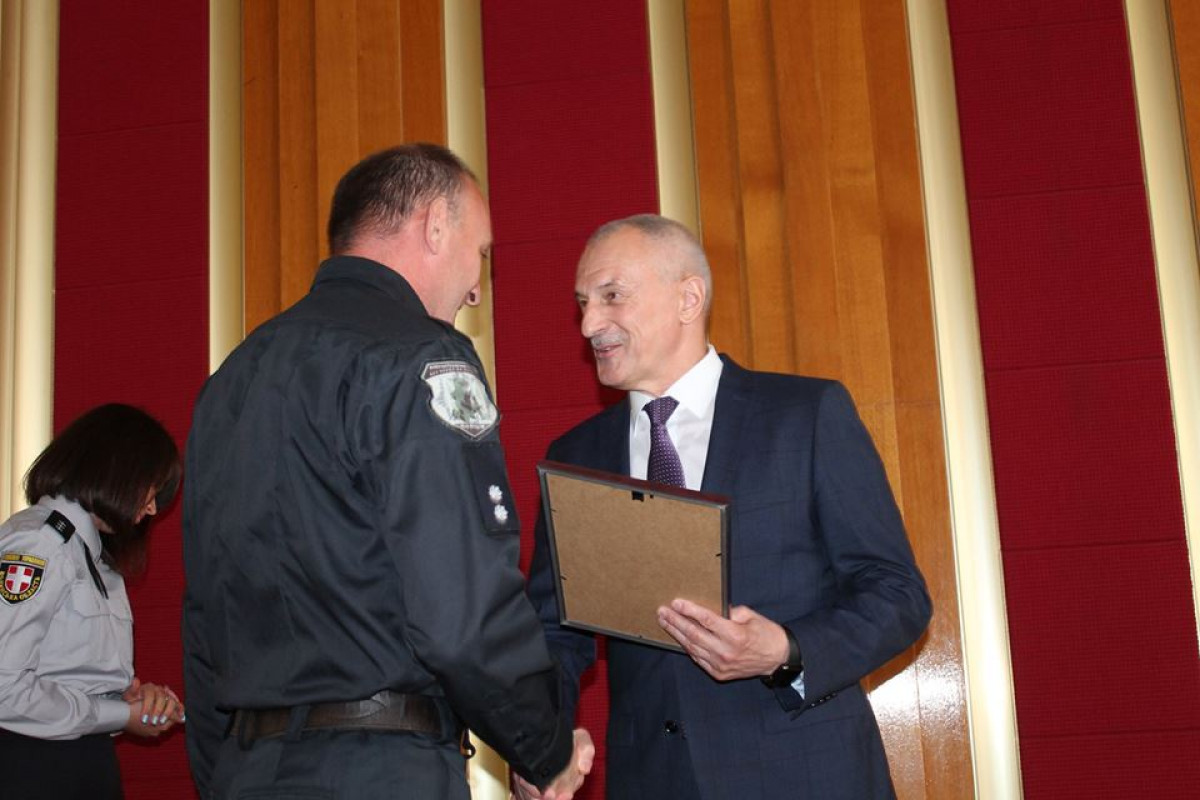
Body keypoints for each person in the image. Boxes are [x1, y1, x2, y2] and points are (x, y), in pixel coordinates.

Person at [182, 143, 593, 800]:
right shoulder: (423, 357)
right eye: (481, 253)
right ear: (435, 225)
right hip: (378, 769)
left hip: (245, 769)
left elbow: (204, 616)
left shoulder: (231, 380)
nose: (476, 287)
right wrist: (544, 750)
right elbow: (461, 612)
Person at [519, 215, 932, 799]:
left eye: (612, 296)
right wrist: (540, 746)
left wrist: (785, 651)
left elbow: (898, 596)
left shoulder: (806, 415)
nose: (589, 324)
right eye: (583, 303)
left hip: (807, 777)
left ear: (689, 298)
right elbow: (552, 635)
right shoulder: (576, 456)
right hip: (653, 782)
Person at [0, 402, 185, 800]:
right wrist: (119, 713)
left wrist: (128, 701)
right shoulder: (39, 543)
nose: (152, 507)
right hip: (31, 765)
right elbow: (4, 686)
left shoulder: (92, 554)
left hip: (79, 758)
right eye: (151, 487)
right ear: (116, 470)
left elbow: (67, 676)